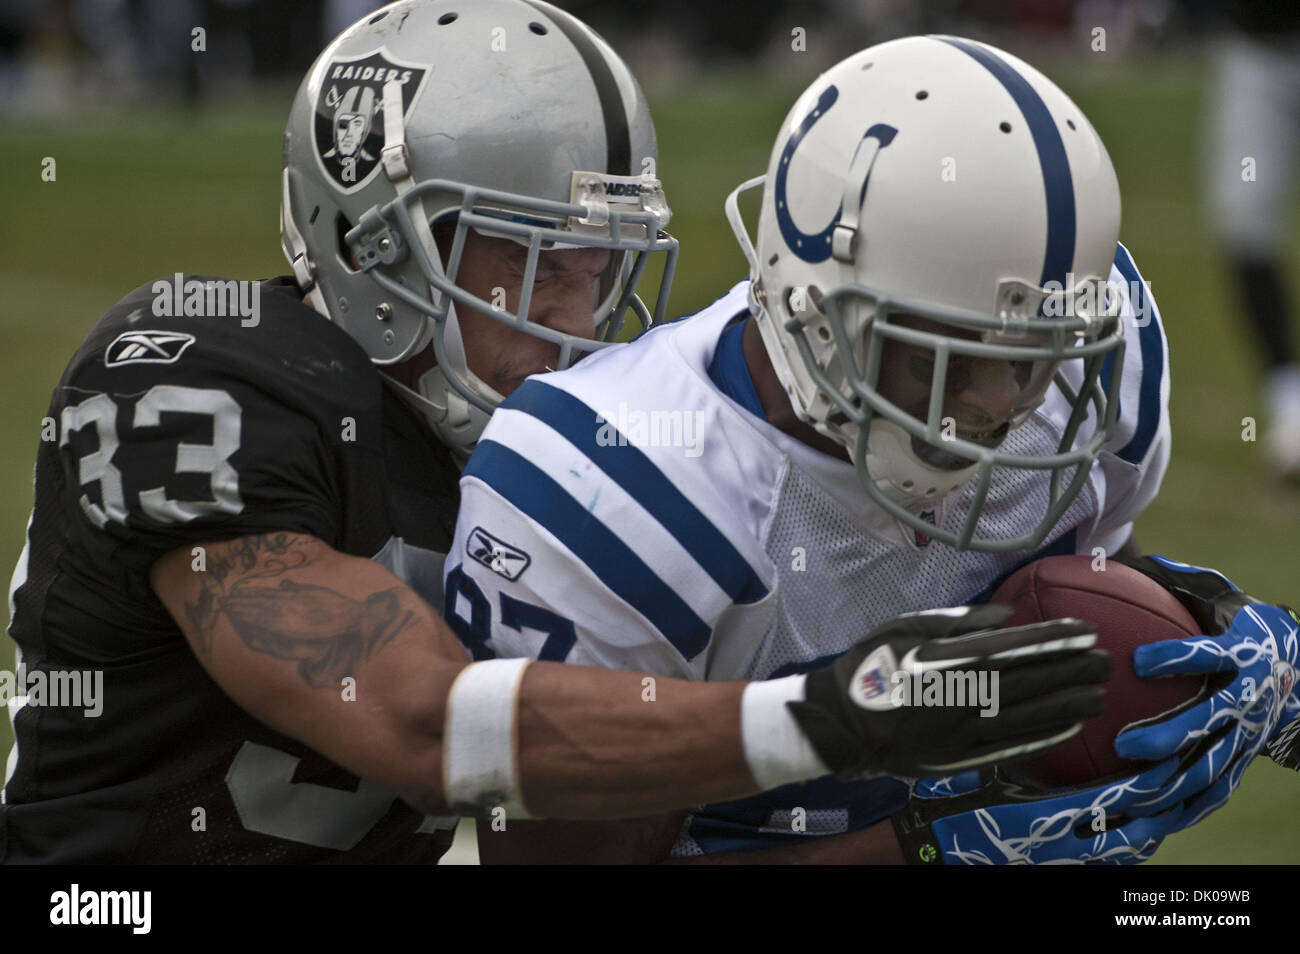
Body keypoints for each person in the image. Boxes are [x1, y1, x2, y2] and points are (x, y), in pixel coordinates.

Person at [0, 2, 1109, 864]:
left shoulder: (567, 444)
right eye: (533, 267)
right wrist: (832, 716)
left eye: (605, 272)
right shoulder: (202, 380)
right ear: (378, 239)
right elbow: (421, 728)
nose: (577, 327)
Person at [447, 35, 1300, 864]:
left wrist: (1242, 667)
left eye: (1028, 360)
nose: (1000, 407)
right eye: (951, 358)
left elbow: (1096, 585)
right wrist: (921, 847)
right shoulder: (617, 484)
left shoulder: (1094, 361)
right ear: (818, 309)